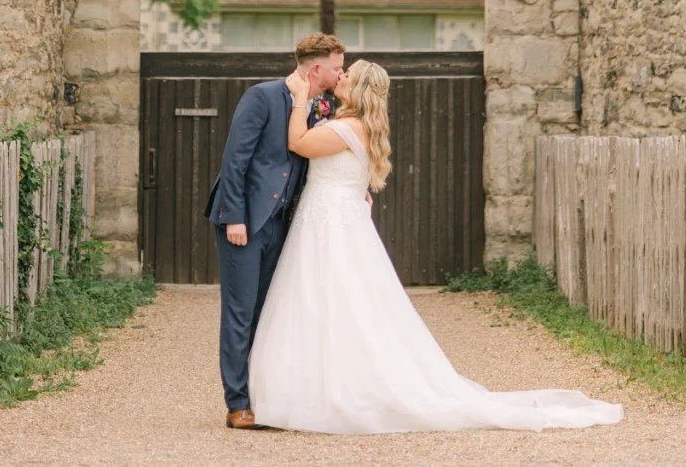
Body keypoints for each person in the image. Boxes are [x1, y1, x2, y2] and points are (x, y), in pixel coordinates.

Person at [248, 59, 624, 435]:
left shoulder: (347, 127)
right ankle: (318, 386)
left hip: (331, 224)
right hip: (332, 219)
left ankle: (334, 389)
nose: (340, 77)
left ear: (358, 88)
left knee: (333, 299)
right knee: (329, 299)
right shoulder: (357, 126)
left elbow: (297, 142)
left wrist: (299, 99)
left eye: (348, 74)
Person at [204, 31, 345, 429]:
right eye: (336, 68)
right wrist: (234, 216)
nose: (341, 74)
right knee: (240, 312)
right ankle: (238, 404)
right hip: (244, 223)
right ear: (317, 68)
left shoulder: (322, 105)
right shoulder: (262, 96)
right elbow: (235, 159)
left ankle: (267, 397)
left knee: (271, 314)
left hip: (285, 224)